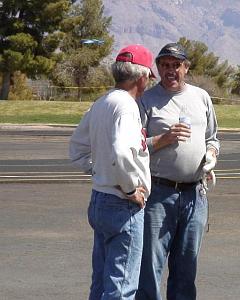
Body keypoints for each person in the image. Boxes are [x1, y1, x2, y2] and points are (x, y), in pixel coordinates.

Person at [69, 44, 155, 300]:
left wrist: (100, 172)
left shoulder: (101, 102)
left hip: (100, 198)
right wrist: (129, 188)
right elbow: (121, 151)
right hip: (122, 205)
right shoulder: (127, 107)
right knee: (121, 287)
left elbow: (77, 148)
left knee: (101, 281)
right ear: (142, 77)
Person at [136, 42, 220, 300]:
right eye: (164, 65)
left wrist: (211, 155)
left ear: (186, 67)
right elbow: (134, 146)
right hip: (159, 193)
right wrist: (163, 139)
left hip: (195, 194)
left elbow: (212, 137)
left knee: (186, 265)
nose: (170, 70)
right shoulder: (147, 100)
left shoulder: (201, 97)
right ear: (158, 68)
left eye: (176, 65)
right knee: (150, 265)